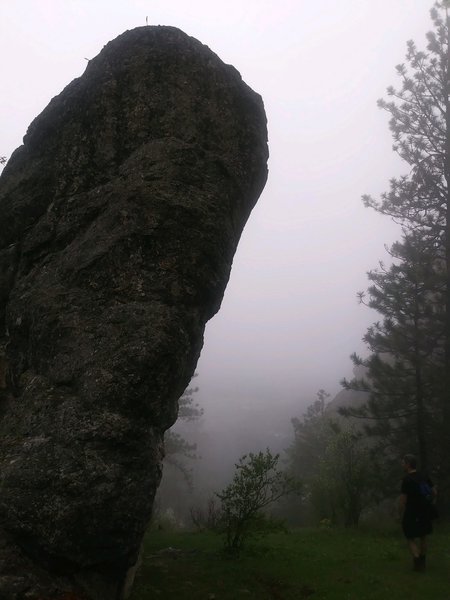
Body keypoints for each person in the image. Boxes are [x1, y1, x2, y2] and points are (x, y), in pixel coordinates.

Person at [399, 454, 437, 572]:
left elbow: (403, 500)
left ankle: (417, 562)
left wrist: (400, 513)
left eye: (403, 463)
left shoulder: (407, 480)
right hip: (425, 510)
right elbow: (434, 492)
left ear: (408, 464)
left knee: (410, 537)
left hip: (412, 511)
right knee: (423, 535)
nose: (402, 465)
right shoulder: (424, 475)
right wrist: (430, 503)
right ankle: (423, 562)